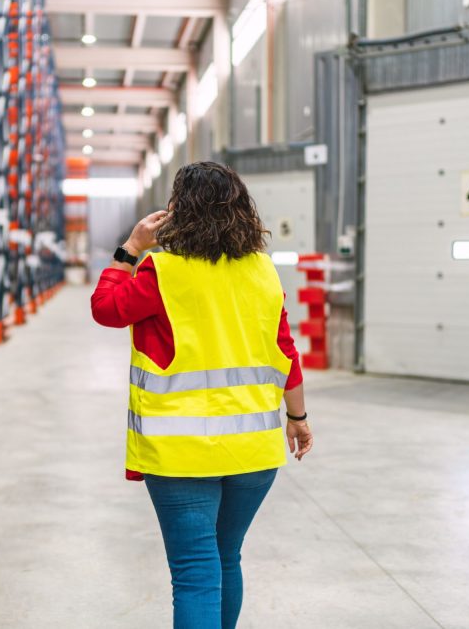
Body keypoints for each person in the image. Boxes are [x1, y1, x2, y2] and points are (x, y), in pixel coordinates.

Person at [90, 161, 313, 629]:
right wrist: (298, 417)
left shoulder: (161, 272)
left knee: (195, 572)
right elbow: (285, 350)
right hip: (254, 452)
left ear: (177, 211)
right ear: (241, 210)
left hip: (180, 454)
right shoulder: (262, 271)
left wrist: (130, 248)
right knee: (225, 557)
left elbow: (107, 310)